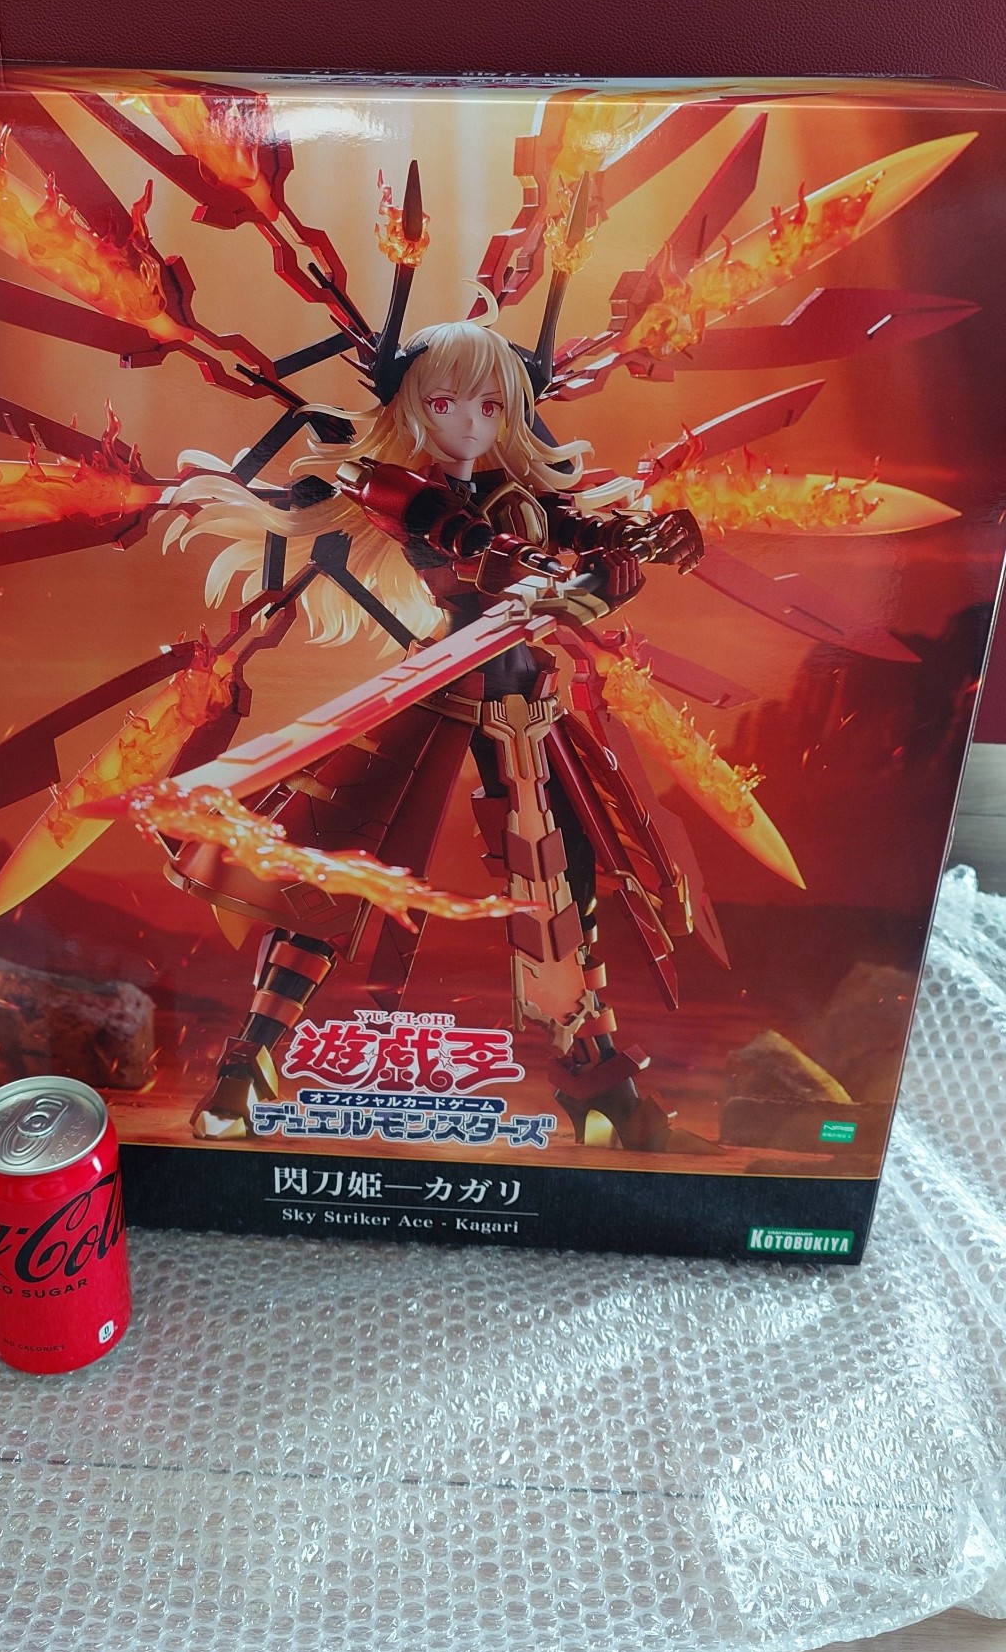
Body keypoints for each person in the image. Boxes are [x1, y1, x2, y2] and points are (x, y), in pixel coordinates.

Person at [163, 318, 703, 1148]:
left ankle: (599, 1081)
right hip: (444, 689)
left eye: (492, 406)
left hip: (529, 706)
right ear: (416, 405)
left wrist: (642, 541)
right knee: (335, 868)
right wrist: (547, 572)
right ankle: (247, 1064)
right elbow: (468, 542)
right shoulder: (392, 486)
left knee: (563, 889)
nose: (471, 423)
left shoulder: (521, 495)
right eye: (447, 403)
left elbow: (575, 533)